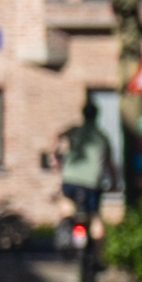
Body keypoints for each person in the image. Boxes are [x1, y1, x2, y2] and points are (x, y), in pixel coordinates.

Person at [50, 106, 119, 265]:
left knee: (66, 205)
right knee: (94, 217)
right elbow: (110, 165)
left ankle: (65, 229)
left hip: (71, 179)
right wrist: (114, 183)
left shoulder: (75, 131)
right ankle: (99, 259)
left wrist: (56, 157)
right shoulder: (102, 137)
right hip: (92, 183)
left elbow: (57, 136)